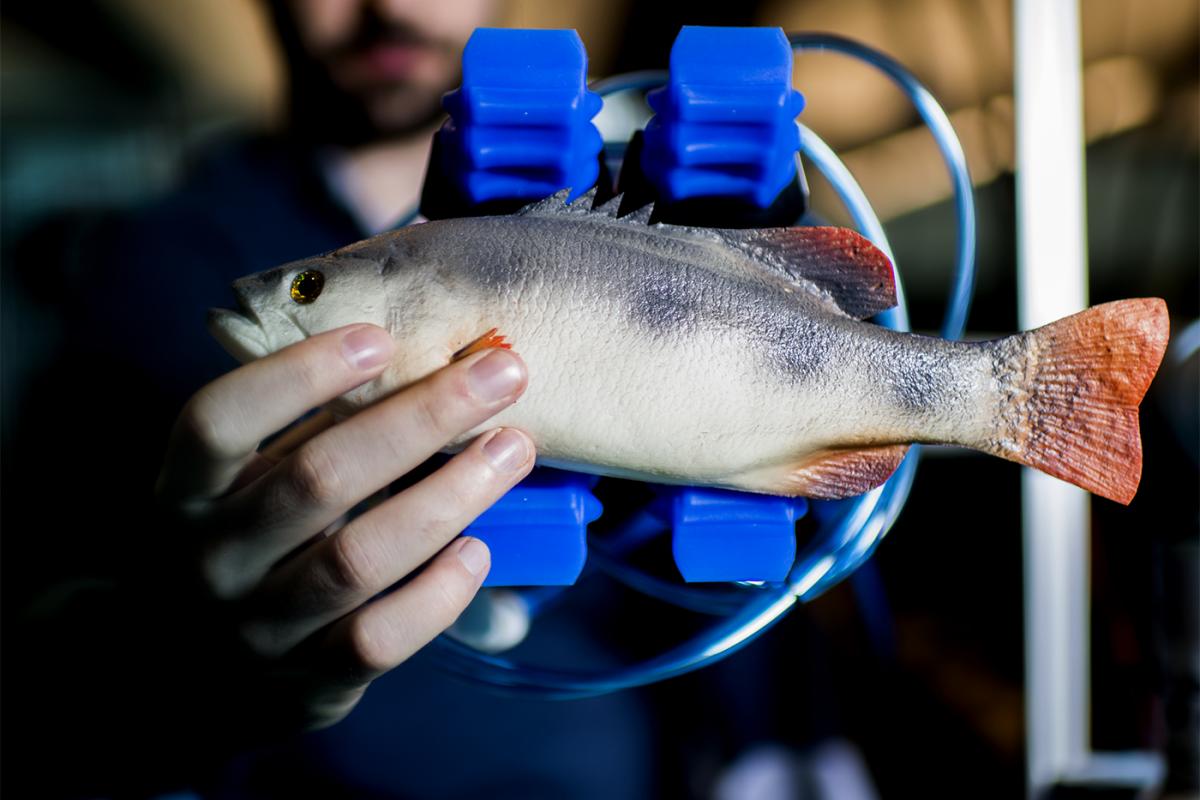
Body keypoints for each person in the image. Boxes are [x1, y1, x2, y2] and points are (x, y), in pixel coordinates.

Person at [7, 2, 654, 797]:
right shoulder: (139, 267)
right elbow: (43, 608)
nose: (392, 5)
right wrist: (164, 671)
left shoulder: (663, 225)